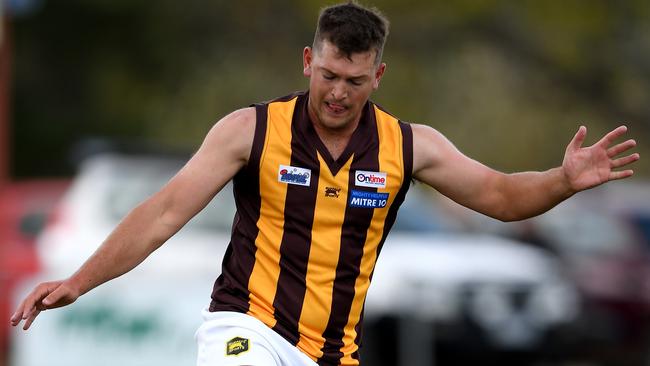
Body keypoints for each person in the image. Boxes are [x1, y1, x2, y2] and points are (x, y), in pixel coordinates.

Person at [11, 2, 640, 366]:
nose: (338, 93)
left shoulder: (408, 145)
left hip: (334, 352)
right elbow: (162, 212)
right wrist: (77, 282)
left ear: (379, 76)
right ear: (310, 61)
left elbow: (502, 198)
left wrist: (561, 180)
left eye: (355, 80)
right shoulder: (249, 131)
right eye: (330, 74)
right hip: (246, 329)